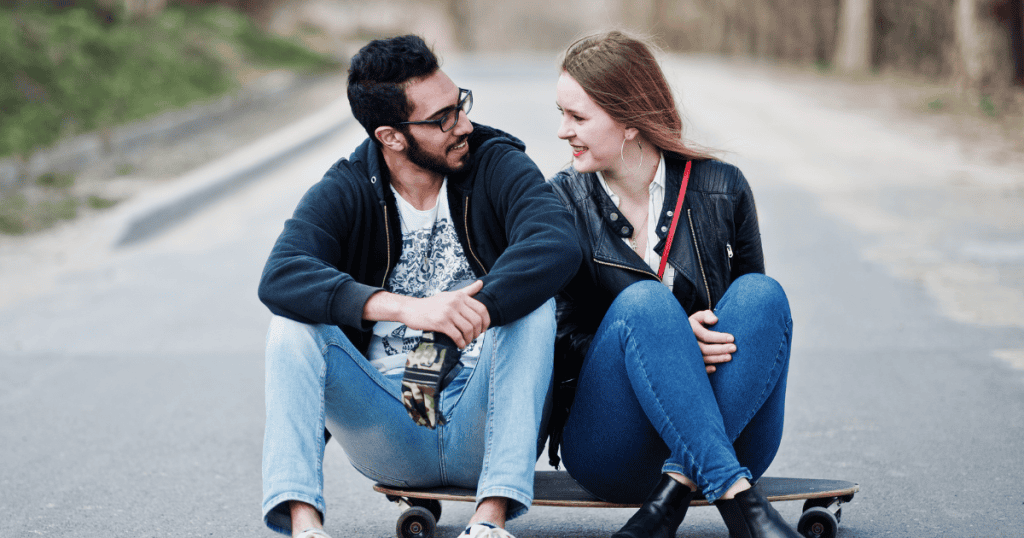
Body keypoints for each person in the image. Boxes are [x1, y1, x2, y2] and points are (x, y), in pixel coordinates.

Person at [258, 35, 580, 538]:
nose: (463, 125)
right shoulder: (349, 188)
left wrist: (461, 324)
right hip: (392, 425)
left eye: (460, 106)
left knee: (533, 308)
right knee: (291, 329)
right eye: (442, 119)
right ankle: (305, 526)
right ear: (390, 136)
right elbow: (281, 274)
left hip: (484, 417)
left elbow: (556, 241)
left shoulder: (494, 163)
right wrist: (411, 311)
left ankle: (489, 522)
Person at [547, 31, 800, 538]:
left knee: (763, 295)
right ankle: (741, 506)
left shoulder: (723, 189)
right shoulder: (560, 203)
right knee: (645, 305)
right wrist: (669, 341)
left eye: (578, 118)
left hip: (729, 434)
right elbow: (556, 340)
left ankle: (673, 495)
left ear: (630, 119)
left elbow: (753, 329)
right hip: (612, 446)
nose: (562, 132)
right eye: (562, 115)